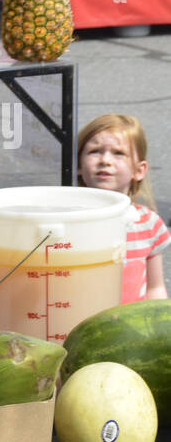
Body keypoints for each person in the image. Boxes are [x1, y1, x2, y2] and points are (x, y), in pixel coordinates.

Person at [76, 114, 169, 303]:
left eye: (118, 153)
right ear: (78, 164)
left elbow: (155, 288)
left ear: (139, 170)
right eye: (95, 151)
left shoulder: (148, 223)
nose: (105, 160)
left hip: (131, 330)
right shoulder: (70, 221)